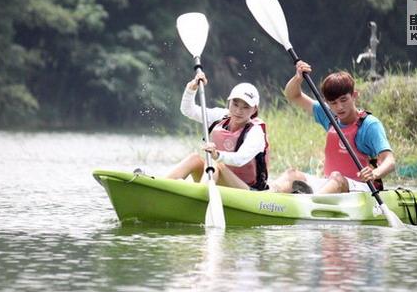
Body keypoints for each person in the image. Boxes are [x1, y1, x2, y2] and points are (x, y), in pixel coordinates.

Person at [272, 60, 395, 194]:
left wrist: (375, 173)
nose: (339, 107)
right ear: (327, 103)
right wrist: (298, 78)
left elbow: (389, 160)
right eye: (333, 103)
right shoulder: (329, 116)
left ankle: (309, 203)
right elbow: (293, 95)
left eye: (343, 100)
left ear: (354, 95)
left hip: (362, 187)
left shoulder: (369, 125)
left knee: (337, 178)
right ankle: (266, 197)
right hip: (330, 184)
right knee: (292, 174)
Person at [165, 73, 270, 190]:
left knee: (216, 163)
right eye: (235, 104)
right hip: (219, 179)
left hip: (248, 190)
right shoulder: (220, 116)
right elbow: (188, 110)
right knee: (194, 158)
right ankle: (163, 186)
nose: (238, 111)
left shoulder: (256, 132)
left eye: (246, 107)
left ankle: (198, 195)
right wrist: (192, 87)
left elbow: (240, 159)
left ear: (254, 109)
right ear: (229, 102)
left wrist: (217, 155)